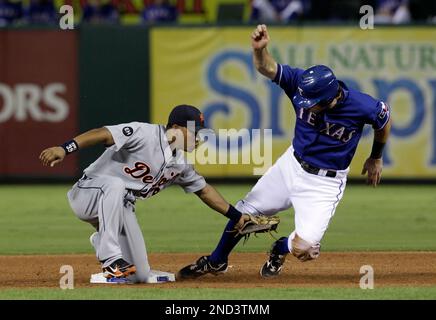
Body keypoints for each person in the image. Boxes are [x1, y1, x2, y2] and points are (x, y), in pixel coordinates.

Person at [178, 24, 391, 279]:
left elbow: (383, 121)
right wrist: (260, 50)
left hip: (324, 182)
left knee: (306, 249)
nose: (303, 104)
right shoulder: (302, 83)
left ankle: (280, 248)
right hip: (291, 165)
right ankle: (216, 261)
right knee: (242, 212)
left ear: (329, 100)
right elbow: (266, 68)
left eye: (310, 104)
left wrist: (376, 156)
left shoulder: (362, 105)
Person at [39, 105, 249, 283]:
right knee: (116, 184)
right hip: (88, 194)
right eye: (194, 131)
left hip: (119, 207)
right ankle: (110, 258)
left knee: (138, 275)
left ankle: (102, 240)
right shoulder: (144, 133)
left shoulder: (180, 164)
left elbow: (205, 191)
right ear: (176, 128)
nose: (197, 137)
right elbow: (102, 133)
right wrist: (65, 148)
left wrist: (237, 217)